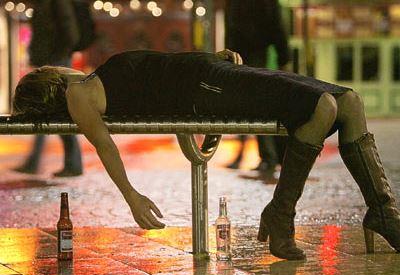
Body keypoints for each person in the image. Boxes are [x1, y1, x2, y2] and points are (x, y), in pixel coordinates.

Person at [12, 49, 400, 260]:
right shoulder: (78, 94)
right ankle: (281, 216)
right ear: (49, 83)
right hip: (205, 88)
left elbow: (159, 67)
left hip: (211, 72)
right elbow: (105, 146)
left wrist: (211, 55)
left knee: (350, 101)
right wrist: (131, 197)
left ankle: (382, 210)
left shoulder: (90, 79)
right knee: (324, 107)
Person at [14, 0, 83, 177]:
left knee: (52, 110)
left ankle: (70, 163)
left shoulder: (57, 2)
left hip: (55, 62)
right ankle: (37, 161)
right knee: (45, 110)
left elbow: (70, 33)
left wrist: (57, 56)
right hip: (49, 60)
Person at [225, 0, 290, 177]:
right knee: (251, 106)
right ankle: (262, 156)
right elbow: (276, 26)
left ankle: (266, 157)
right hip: (252, 53)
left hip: (251, 54)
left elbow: (275, 26)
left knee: (256, 106)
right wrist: (284, 57)